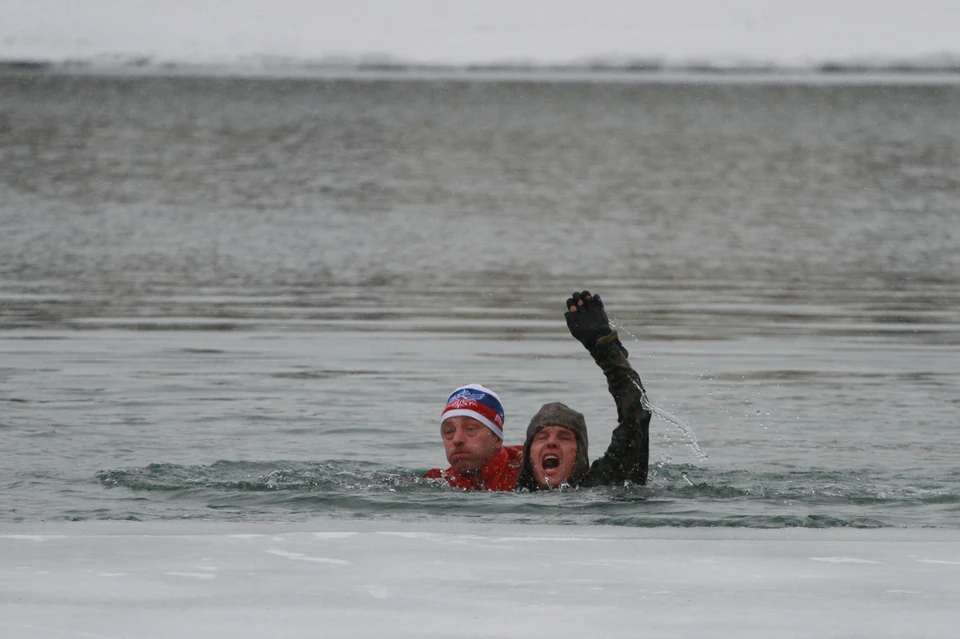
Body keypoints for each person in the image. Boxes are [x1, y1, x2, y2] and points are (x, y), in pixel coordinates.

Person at [516, 290, 651, 491]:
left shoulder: (604, 483)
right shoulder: (507, 494)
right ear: (528, 455)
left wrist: (603, 346)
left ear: (580, 454)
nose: (551, 443)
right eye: (542, 437)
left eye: (564, 437)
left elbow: (635, 416)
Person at [424, 384, 522, 491]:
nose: (457, 440)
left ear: (497, 438)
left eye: (470, 429)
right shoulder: (436, 482)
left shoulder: (530, 471)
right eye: (449, 431)